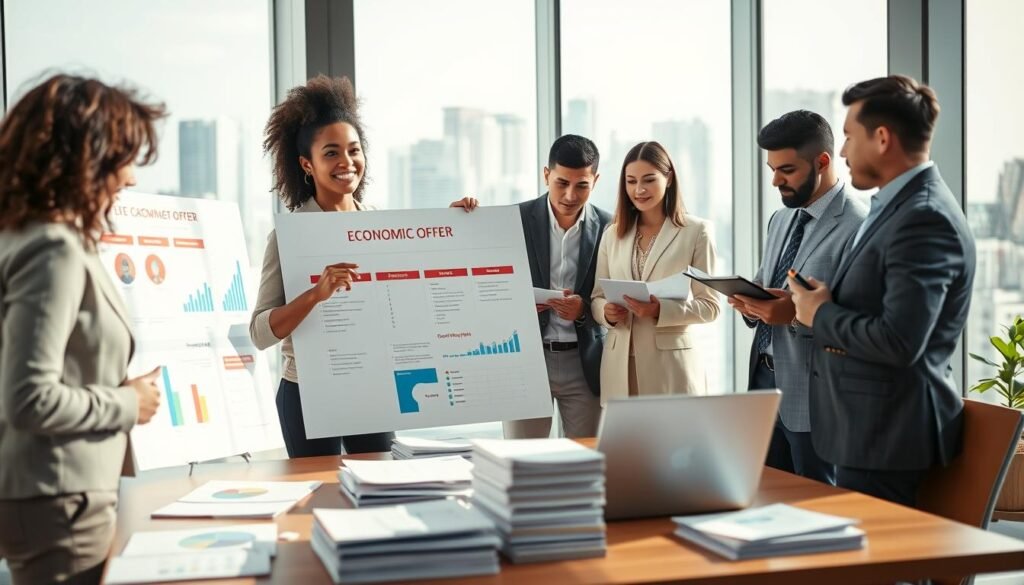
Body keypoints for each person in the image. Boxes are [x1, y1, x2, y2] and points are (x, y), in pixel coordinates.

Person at [250, 75, 476, 458]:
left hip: (372, 388)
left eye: (354, 150)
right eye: (331, 153)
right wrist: (316, 295)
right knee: (318, 500)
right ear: (307, 163)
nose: (346, 162)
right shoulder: (289, 235)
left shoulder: (378, 225)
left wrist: (454, 229)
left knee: (379, 493)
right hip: (308, 393)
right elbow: (259, 333)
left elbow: (418, 288)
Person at [0, 74, 164, 585]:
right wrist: (128, 404)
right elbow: (28, 398)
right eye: (124, 160)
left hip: (52, 498)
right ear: (86, 160)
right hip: (60, 504)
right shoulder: (54, 249)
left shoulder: (21, 235)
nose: (132, 179)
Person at [789, 75, 975, 507]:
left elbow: (900, 340)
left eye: (850, 137)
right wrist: (826, 298)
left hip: (887, 437)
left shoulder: (924, 217)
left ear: (883, 138)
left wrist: (820, 315)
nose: (841, 151)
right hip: (868, 430)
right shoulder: (896, 205)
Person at [728, 110, 866, 485]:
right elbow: (766, 280)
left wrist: (789, 315)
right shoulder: (781, 219)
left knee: (816, 505)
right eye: (772, 168)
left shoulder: (858, 226)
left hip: (816, 398)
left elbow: (857, 324)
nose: (775, 180)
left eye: (786, 170)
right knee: (767, 496)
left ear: (822, 162)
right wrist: (749, 302)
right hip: (763, 385)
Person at [591, 141, 720, 400]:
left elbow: (710, 306)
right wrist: (606, 312)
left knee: (673, 441)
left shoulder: (696, 232)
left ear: (668, 178)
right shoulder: (612, 235)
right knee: (626, 441)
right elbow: (596, 297)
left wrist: (659, 310)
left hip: (670, 368)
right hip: (619, 368)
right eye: (631, 181)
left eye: (649, 180)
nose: (639, 190)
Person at [503, 135, 612, 439]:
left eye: (582, 186)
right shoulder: (513, 219)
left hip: (585, 363)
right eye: (561, 182)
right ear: (546, 175)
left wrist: (582, 311)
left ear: (596, 180)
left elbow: (611, 295)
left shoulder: (610, 228)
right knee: (521, 462)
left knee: (584, 461)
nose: (569, 195)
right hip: (527, 360)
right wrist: (462, 215)